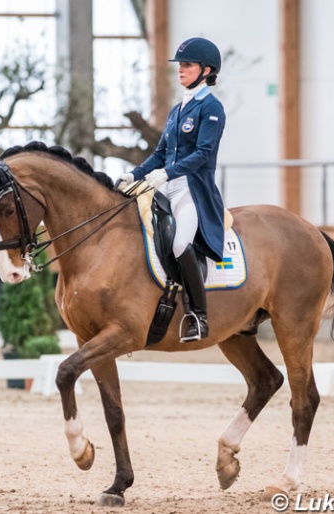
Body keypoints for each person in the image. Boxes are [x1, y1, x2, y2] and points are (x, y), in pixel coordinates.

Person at [117, 37, 226, 342]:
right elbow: (160, 152)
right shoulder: (177, 109)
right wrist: (134, 173)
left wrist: (166, 174)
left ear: (206, 70)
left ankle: (198, 317)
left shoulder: (211, 108)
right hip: (165, 186)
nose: (181, 69)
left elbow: (203, 153)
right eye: (180, 64)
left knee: (180, 245)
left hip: (192, 189)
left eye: (187, 65)